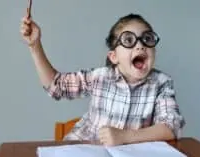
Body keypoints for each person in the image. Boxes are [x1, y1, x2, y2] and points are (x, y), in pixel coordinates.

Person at [20, 12, 185, 146]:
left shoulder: (162, 83)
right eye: (129, 40)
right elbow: (56, 86)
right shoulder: (100, 76)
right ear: (114, 57)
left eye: (147, 39)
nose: (140, 45)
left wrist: (125, 137)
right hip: (84, 149)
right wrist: (35, 46)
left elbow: (171, 127)